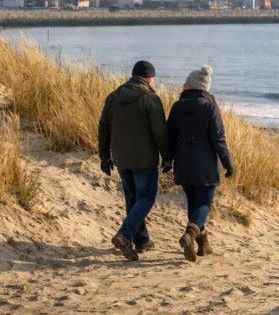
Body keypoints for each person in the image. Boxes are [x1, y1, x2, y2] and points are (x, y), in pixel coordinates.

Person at [97, 60, 172, 261]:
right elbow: (160, 132)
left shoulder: (113, 97)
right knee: (146, 198)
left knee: (133, 199)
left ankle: (141, 240)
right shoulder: (150, 98)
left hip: (121, 159)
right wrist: (167, 157)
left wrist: (104, 156)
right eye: (153, 78)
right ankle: (125, 234)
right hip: (144, 159)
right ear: (149, 78)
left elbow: (103, 128)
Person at [166, 65, 234, 262]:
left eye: (186, 83)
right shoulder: (209, 107)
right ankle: (189, 235)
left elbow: (169, 136)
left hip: (183, 162)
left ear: (192, 85)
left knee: (194, 203)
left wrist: (168, 160)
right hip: (205, 165)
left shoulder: (177, 107)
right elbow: (218, 139)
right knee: (204, 203)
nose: (183, 85)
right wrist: (228, 162)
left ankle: (203, 245)